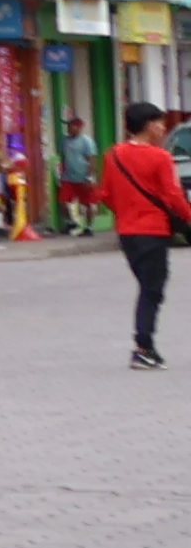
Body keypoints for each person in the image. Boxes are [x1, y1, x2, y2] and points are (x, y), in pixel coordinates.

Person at [109, 102, 189, 369]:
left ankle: (144, 347)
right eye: (160, 122)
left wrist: (127, 212)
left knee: (147, 287)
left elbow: (106, 194)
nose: (163, 128)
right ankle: (143, 348)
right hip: (153, 231)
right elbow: (173, 196)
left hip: (127, 233)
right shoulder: (160, 157)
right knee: (152, 291)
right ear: (149, 125)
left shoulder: (114, 155)